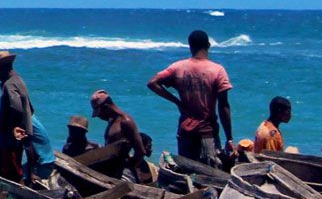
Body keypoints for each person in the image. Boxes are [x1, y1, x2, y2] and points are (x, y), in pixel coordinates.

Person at [148, 30, 235, 166]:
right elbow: (223, 106)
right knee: (210, 172)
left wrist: (177, 102)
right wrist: (229, 138)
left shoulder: (178, 67)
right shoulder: (217, 70)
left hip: (185, 130)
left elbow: (152, 83)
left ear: (190, 46)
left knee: (188, 170)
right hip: (207, 131)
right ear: (208, 45)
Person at [0, 51, 35, 180]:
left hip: (11, 138)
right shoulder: (18, 79)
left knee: (11, 171)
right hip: (20, 134)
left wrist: (13, 128)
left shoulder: (9, 84)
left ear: (1, 68)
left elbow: (16, 107)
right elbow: (30, 108)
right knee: (15, 167)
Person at [90, 90, 152, 180]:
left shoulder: (125, 122)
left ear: (106, 107)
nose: (99, 116)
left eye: (99, 112)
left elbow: (140, 152)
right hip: (112, 170)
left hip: (122, 174)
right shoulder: (112, 121)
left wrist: (127, 168)